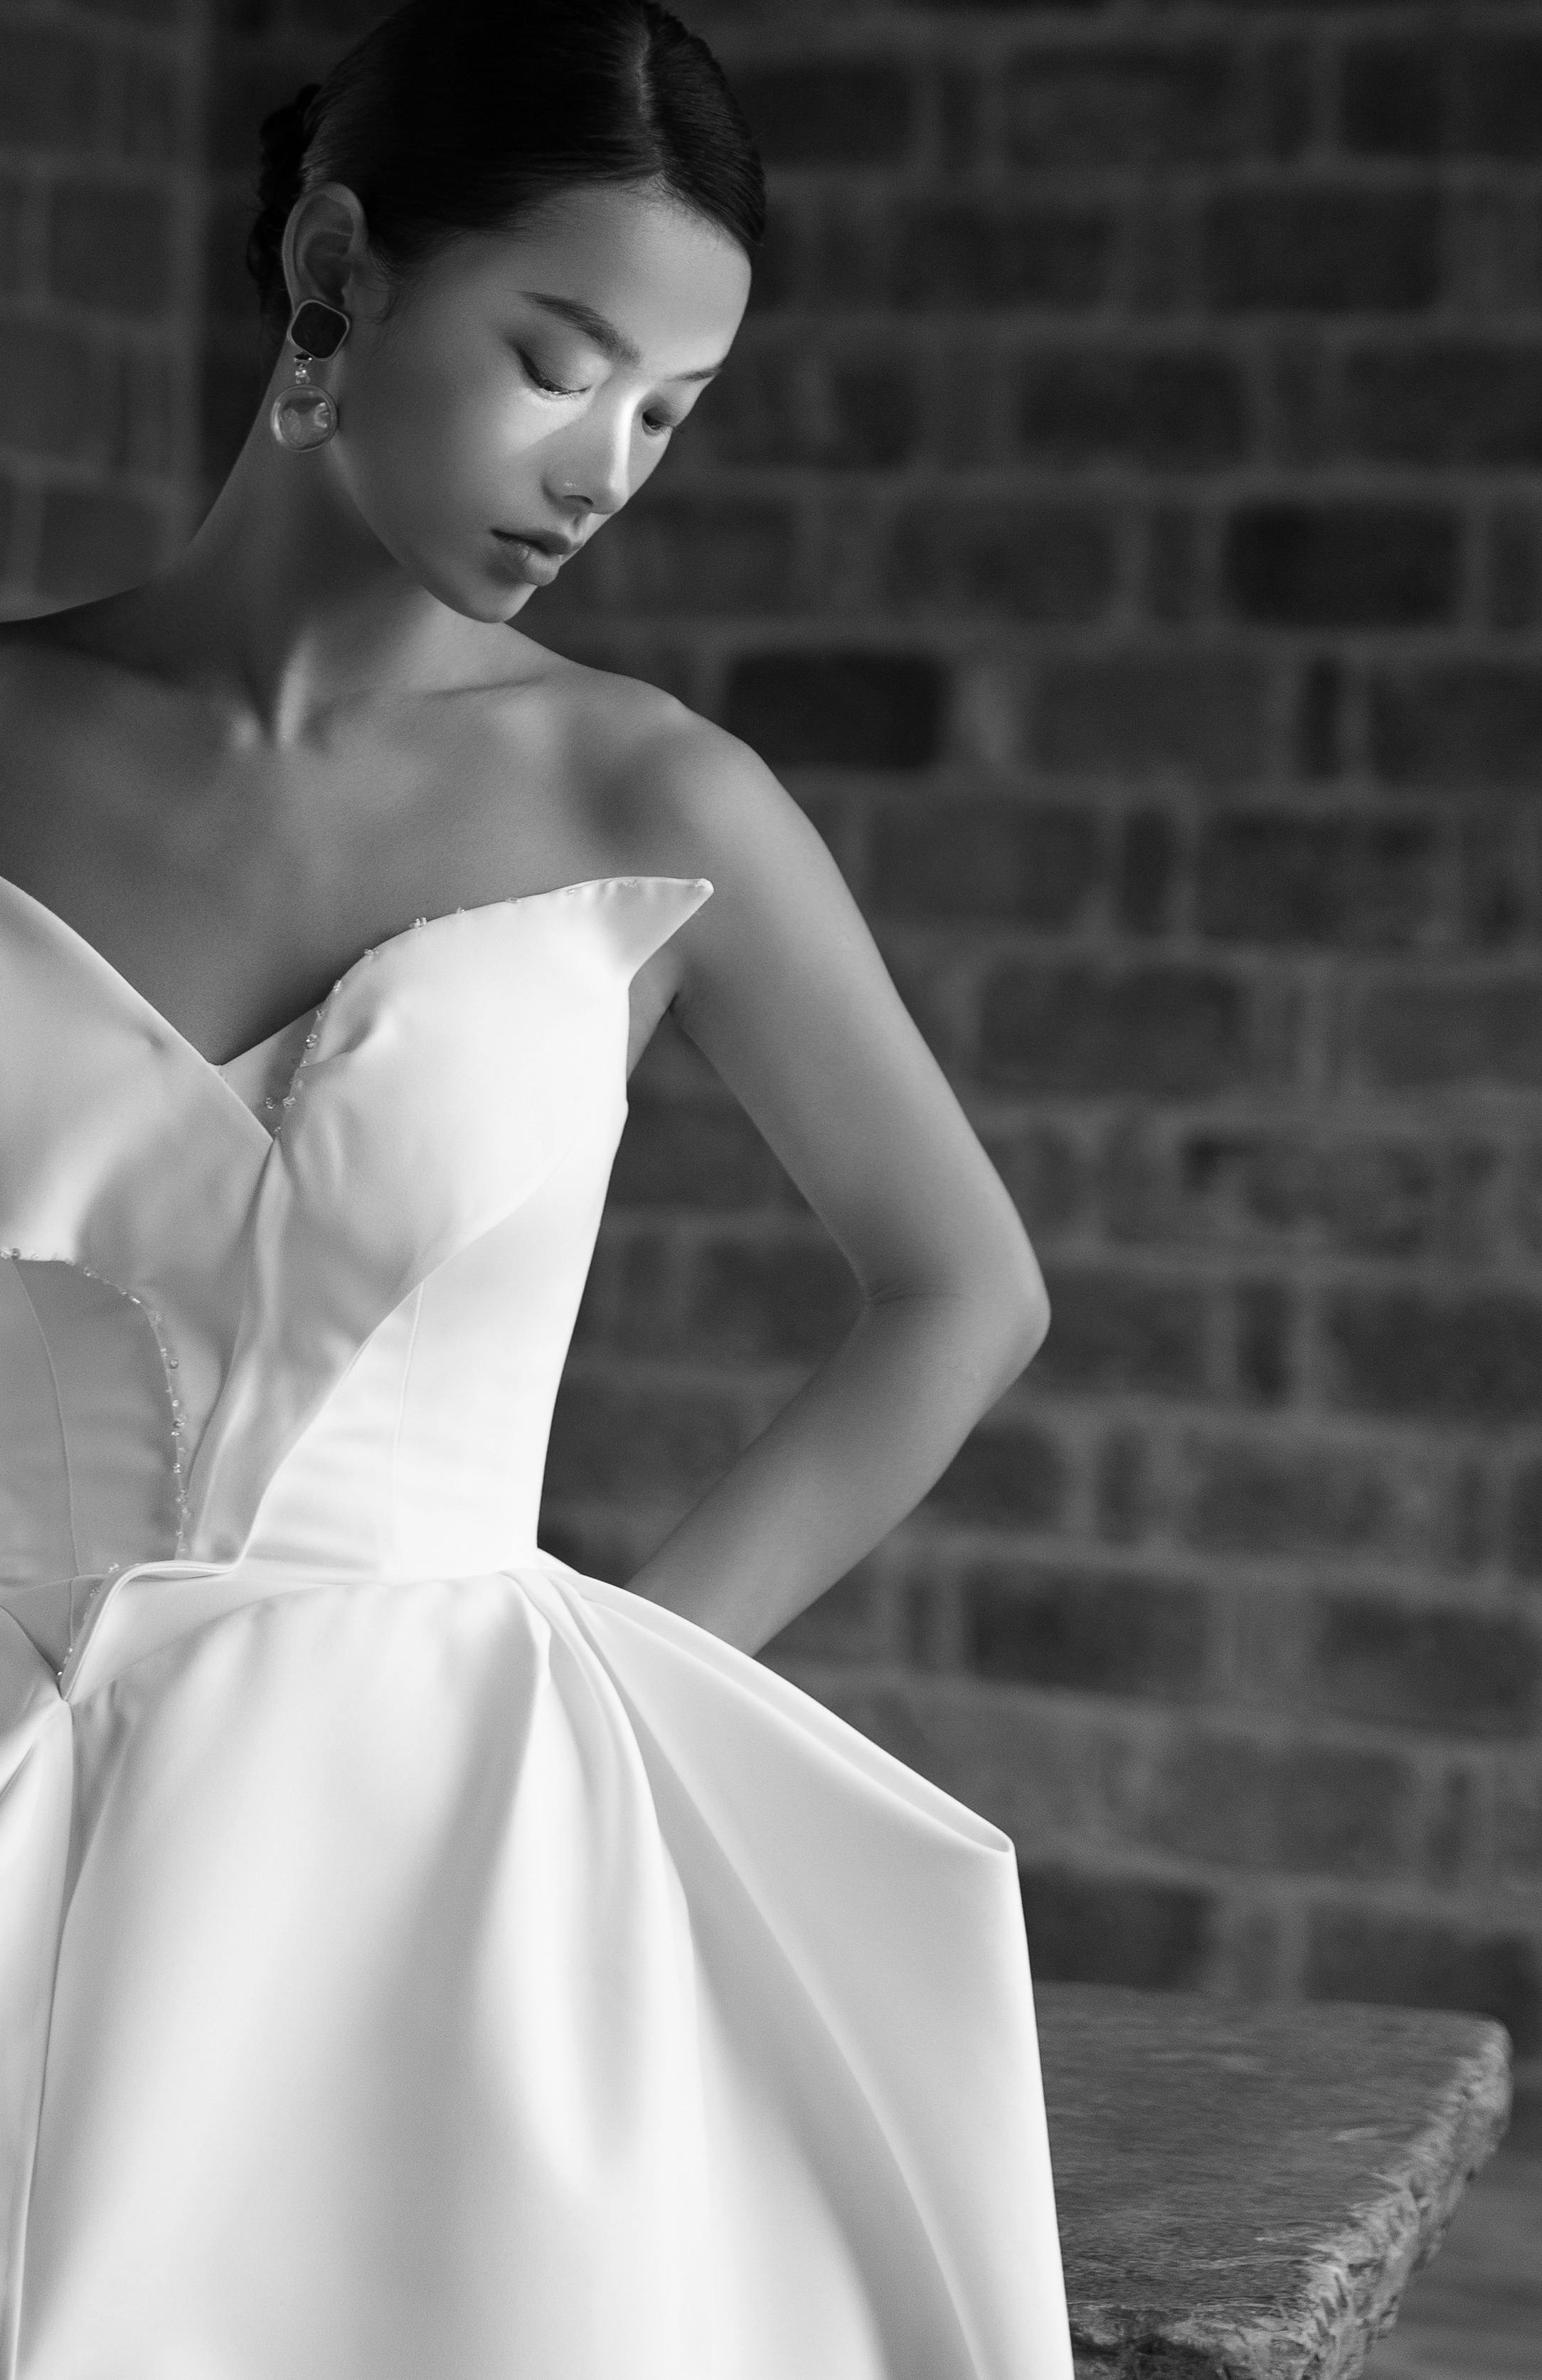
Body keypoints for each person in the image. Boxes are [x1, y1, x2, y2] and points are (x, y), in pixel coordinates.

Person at [0, 1, 1073, 2371]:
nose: (603, 469)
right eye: (555, 360)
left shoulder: (653, 802)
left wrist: (631, 1688)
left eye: (667, 413)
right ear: (337, 268)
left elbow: (960, 1289)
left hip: (449, 1847)